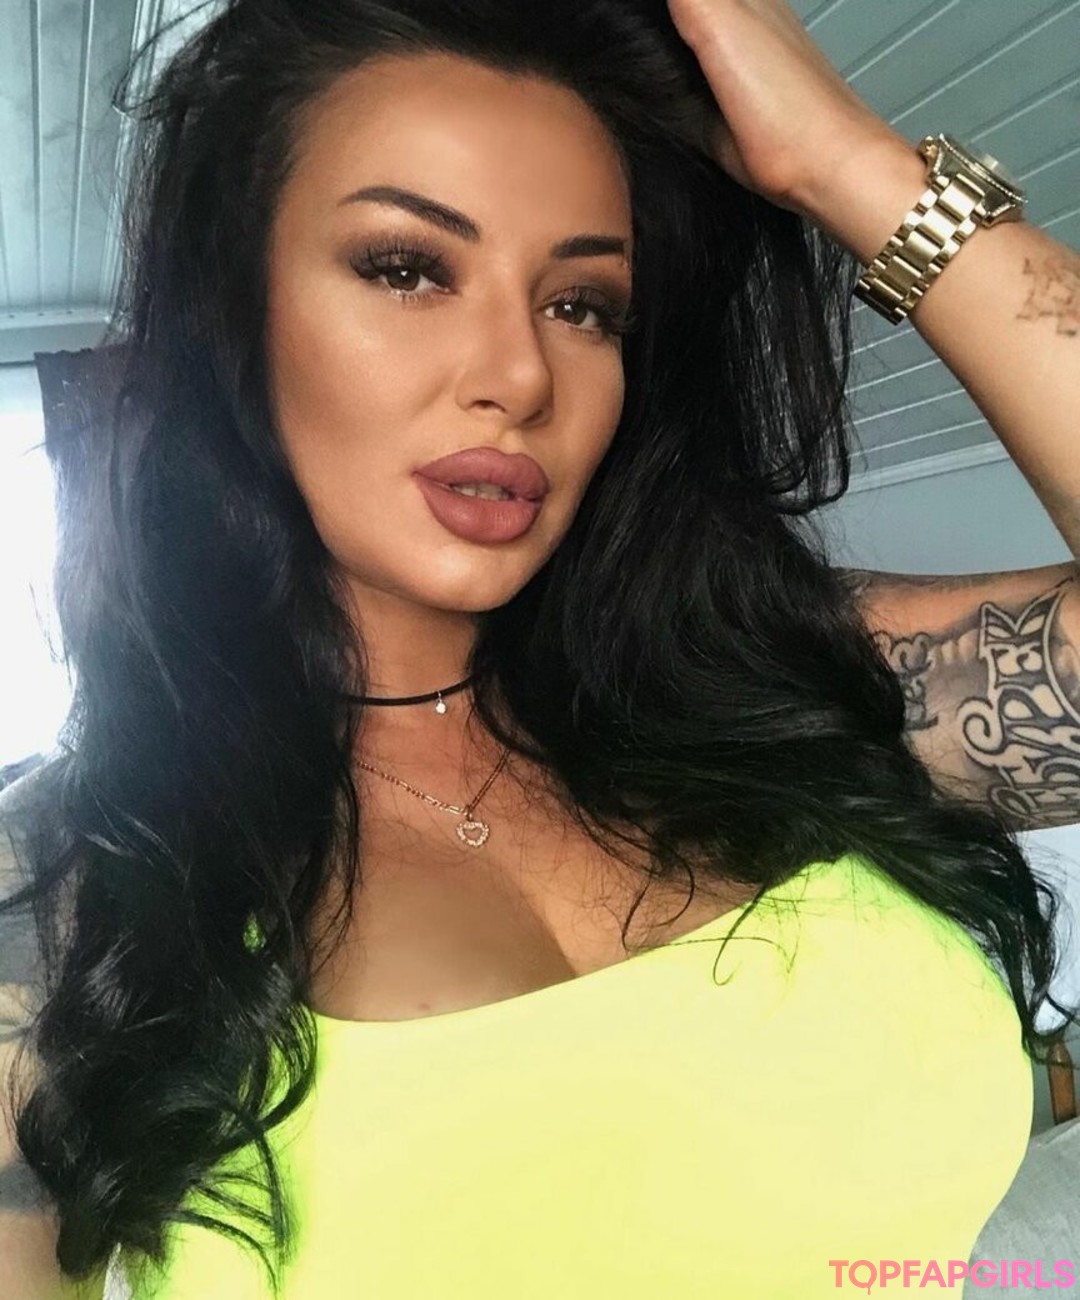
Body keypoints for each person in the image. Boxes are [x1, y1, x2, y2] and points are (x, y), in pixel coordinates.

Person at [1, 0, 1078, 1296]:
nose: (519, 374)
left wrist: (852, 168)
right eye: (407, 267)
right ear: (233, 321)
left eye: (582, 303)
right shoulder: (69, 890)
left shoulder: (772, 681)